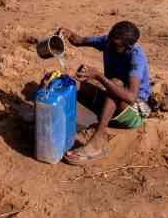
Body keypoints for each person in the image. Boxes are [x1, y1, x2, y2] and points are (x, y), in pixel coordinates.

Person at [58, 21, 152, 165]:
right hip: (111, 101)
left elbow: (131, 97)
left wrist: (98, 76)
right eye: (109, 39)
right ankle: (51, 119)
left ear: (128, 47)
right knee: (69, 82)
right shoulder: (109, 42)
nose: (109, 46)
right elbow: (79, 40)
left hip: (133, 113)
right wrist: (67, 33)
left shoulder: (136, 57)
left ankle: (98, 140)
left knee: (116, 82)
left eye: (114, 45)